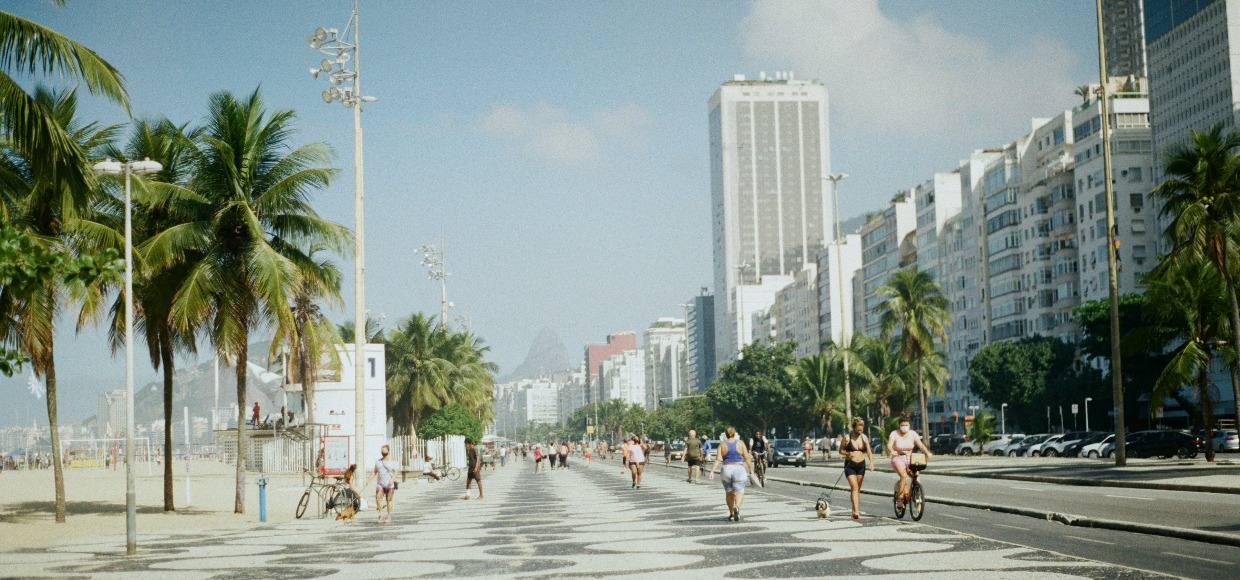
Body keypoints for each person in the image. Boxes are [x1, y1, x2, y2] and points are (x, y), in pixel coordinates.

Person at [709, 426, 755, 521]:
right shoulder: (741, 443)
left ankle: (731, 513)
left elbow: (718, 459)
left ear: (725, 434)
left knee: (729, 492)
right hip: (739, 468)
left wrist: (712, 471)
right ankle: (737, 507)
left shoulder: (722, 445)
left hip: (726, 469)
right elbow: (747, 458)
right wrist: (751, 470)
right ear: (735, 433)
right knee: (739, 491)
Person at [886, 414, 932, 504]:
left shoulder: (913, 434)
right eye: (902, 425)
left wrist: (927, 452)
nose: (904, 427)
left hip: (910, 459)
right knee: (903, 475)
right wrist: (892, 451)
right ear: (899, 425)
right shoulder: (894, 434)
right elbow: (889, 444)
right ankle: (899, 499)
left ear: (910, 425)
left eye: (906, 425)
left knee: (916, 477)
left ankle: (916, 496)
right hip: (898, 458)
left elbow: (921, 445)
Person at [840, 417, 875, 519]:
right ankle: (856, 511)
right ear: (854, 427)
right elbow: (840, 451)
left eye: (862, 428)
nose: (861, 430)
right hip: (850, 465)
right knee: (854, 487)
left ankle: (854, 508)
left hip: (861, 465)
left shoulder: (864, 438)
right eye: (859, 428)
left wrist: (871, 462)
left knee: (858, 489)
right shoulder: (847, 437)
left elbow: (868, 451)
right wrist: (847, 453)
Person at [372, 444, 399, 523]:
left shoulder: (393, 461)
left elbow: (396, 471)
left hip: (389, 485)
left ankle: (389, 516)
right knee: (378, 499)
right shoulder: (378, 461)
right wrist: (369, 479)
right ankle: (381, 515)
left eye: (384, 450)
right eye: (382, 450)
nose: (382, 452)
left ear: (388, 451)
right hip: (380, 484)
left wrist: (392, 479)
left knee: (389, 500)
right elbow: (375, 471)